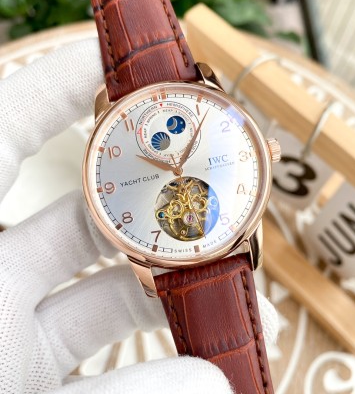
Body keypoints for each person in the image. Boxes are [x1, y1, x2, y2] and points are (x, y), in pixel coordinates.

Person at [0, 38, 278, 394]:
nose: (177, 170)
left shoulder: (210, 98)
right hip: (169, 243)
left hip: (218, 236)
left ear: (266, 152)